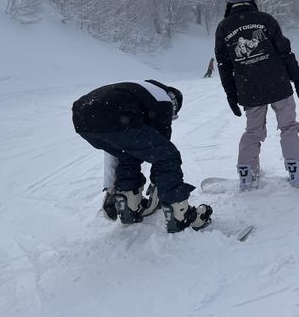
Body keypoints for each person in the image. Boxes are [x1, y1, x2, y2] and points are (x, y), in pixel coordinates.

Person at [72, 79, 213, 233]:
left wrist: (111, 188)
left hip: (82, 118)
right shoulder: (164, 100)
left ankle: (129, 208)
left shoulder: (143, 91)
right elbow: (162, 154)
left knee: (127, 155)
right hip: (113, 117)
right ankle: (181, 216)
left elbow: (116, 151)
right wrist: (157, 185)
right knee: (168, 156)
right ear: (174, 103)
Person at [215, 0, 299, 190]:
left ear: (229, 0)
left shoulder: (224, 28)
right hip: (278, 84)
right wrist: (298, 80)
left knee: (253, 131)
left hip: (249, 89)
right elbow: (285, 52)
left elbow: (224, 66)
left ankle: (247, 175)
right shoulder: (265, 19)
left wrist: (231, 94)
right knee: (288, 127)